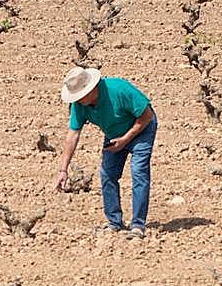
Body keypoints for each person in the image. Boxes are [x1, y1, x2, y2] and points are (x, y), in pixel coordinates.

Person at [56, 66, 157, 238]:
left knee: (138, 171)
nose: (77, 100)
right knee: (107, 174)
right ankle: (114, 222)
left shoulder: (119, 89)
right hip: (113, 134)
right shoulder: (80, 105)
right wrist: (63, 170)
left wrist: (125, 139)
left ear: (91, 89)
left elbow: (147, 115)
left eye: (80, 96)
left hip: (141, 129)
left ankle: (138, 225)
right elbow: (73, 134)